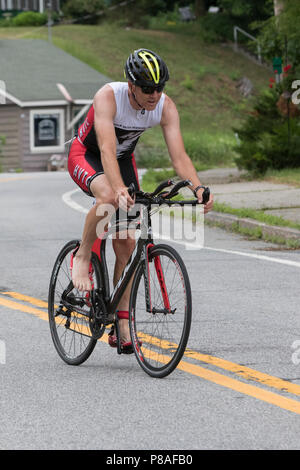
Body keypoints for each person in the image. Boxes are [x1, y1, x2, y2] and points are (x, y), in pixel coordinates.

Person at [67, 48, 214, 351]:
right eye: (147, 88)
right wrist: (119, 189)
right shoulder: (109, 97)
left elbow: (179, 156)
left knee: (127, 243)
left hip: (122, 160)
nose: (154, 94)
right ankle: (82, 257)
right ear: (131, 84)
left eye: (160, 88)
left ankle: (121, 321)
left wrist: (197, 188)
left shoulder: (165, 106)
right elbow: (106, 149)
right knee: (108, 196)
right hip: (87, 155)